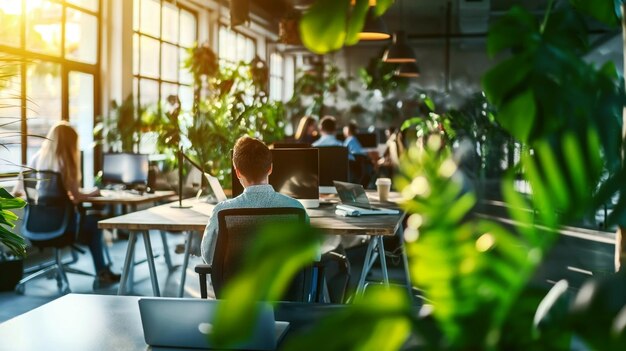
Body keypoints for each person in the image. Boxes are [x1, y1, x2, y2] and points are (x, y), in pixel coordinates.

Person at [13, 121, 121, 284]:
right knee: (94, 222)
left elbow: (17, 192)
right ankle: (102, 272)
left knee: (89, 220)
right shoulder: (64, 162)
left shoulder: (36, 159)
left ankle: (103, 271)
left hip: (35, 226)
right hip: (61, 227)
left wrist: (40, 201)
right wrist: (95, 192)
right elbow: (76, 197)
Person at [200, 136, 307, 264]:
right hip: (286, 284)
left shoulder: (221, 211)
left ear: (238, 173)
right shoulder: (296, 208)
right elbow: (313, 257)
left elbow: (208, 257)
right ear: (270, 168)